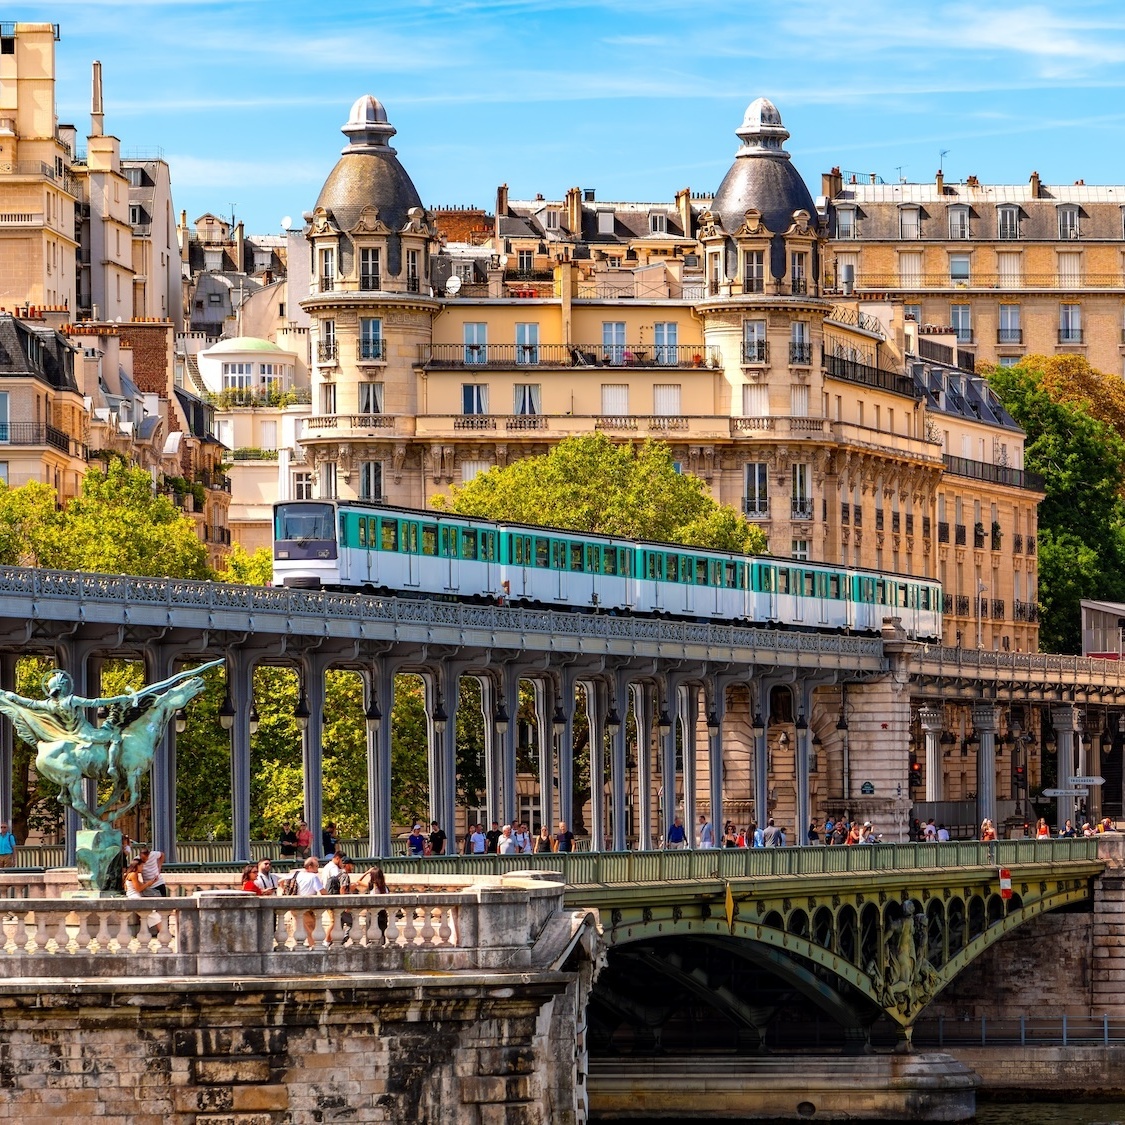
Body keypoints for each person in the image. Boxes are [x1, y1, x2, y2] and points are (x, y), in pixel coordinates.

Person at [288, 857, 328, 948]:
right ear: (310, 866)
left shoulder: (297, 874)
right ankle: (313, 946)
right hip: (306, 906)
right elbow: (322, 891)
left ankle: (297, 946)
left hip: (294, 904)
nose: (318, 868)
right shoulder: (313, 877)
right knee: (311, 928)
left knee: (297, 926)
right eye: (316, 866)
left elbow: (280, 881)